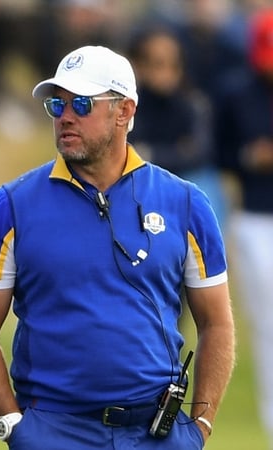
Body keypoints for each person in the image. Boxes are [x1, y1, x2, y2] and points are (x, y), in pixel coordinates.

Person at [0, 45, 235, 449]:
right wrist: (12, 425)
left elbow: (217, 323)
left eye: (82, 104)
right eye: (57, 104)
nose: (66, 117)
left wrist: (200, 427)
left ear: (124, 111)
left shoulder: (186, 203)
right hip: (54, 430)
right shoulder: (9, 207)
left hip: (155, 432)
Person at [214, 8, 273, 445]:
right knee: (268, 325)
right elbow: (220, 153)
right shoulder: (235, 93)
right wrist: (251, 159)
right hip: (256, 216)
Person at [127, 25, 228, 229]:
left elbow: (199, 153)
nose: (167, 73)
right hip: (142, 184)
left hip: (190, 180)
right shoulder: (130, 106)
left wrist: (150, 152)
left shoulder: (194, 104)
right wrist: (178, 151)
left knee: (203, 185)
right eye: (158, 64)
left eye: (174, 65)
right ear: (139, 66)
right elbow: (127, 152)